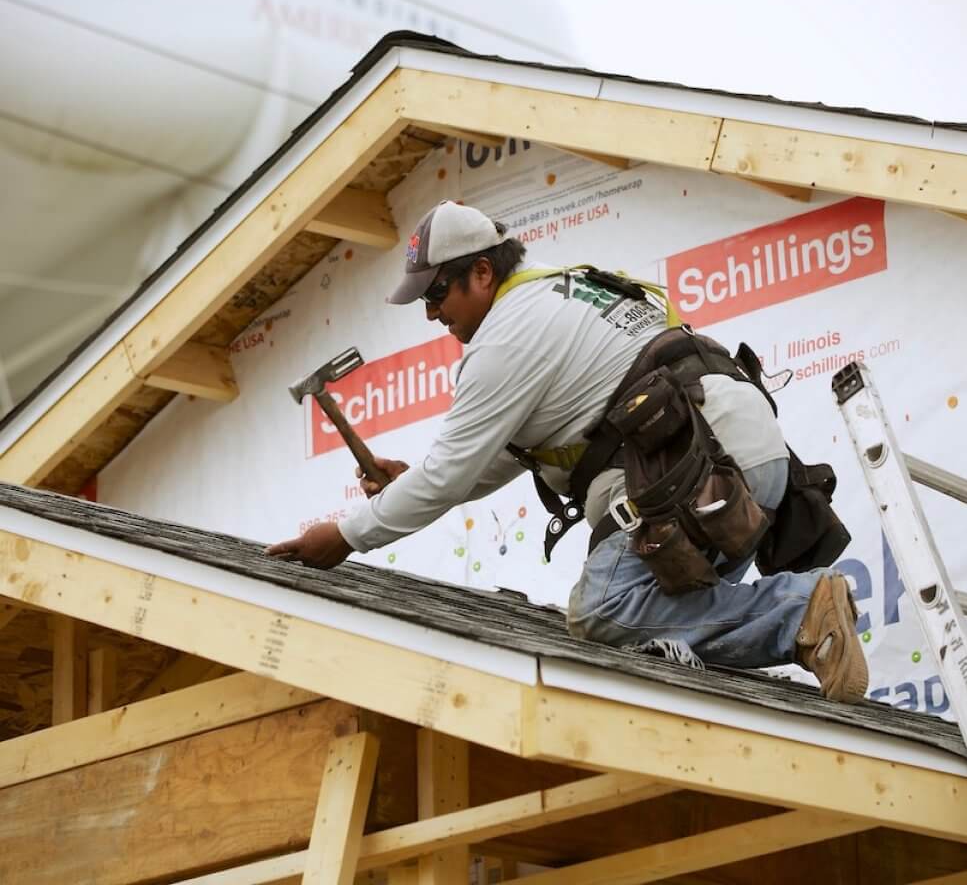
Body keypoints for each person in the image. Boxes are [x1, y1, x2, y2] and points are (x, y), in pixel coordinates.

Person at [268, 201, 868, 703]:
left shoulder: (505, 335)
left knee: (604, 610)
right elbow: (498, 457)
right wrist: (407, 485)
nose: (432, 313)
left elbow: (449, 475)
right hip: (745, 459)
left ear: (482, 272)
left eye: (437, 292)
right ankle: (813, 631)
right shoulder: (562, 287)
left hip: (698, 470)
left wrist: (345, 537)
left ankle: (801, 610)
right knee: (668, 626)